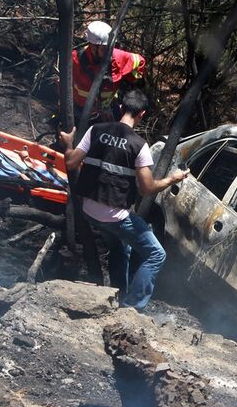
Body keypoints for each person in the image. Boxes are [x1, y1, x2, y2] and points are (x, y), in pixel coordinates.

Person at [58, 89, 189, 310]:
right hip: (115, 216)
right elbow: (148, 188)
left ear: (121, 108)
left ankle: (118, 295)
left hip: (88, 209)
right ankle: (133, 306)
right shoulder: (138, 145)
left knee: (121, 249)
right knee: (157, 255)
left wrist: (69, 143)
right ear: (142, 114)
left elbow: (71, 163)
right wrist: (172, 179)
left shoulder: (95, 130)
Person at [71, 20, 146, 120]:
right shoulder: (75, 59)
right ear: (93, 47)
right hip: (78, 110)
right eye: (104, 48)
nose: (109, 52)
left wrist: (131, 81)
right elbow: (65, 85)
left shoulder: (119, 58)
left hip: (105, 110)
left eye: (110, 47)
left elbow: (139, 61)